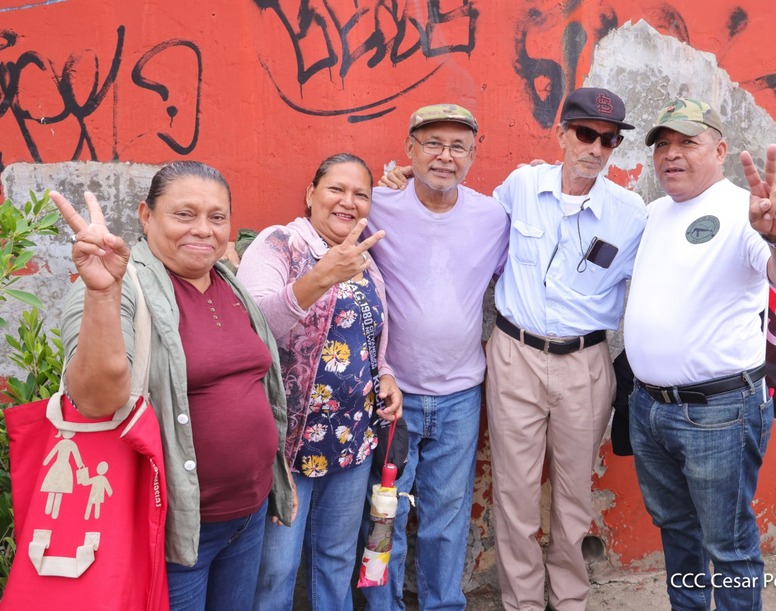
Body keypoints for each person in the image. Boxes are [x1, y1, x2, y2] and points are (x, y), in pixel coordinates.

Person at [52, 160, 296, 610]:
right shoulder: (118, 285)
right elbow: (94, 401)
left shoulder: (229, 283)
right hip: (172, 529)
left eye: (217, 217)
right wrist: (102, 293)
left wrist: (273, 477)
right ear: (146, 216)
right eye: (184, 214)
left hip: (248, 516)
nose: (203, 229)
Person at [624, 97, 776, 610]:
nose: (671, 153)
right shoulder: (654, 212)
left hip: (718, 414)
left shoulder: (745, 211)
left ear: (720, 150)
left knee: (728, 547)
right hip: (649, 408)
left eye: (687, 142)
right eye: (663, 144)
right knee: (676, 531)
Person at [486, 87, 647, 611]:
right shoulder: (520, 186)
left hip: (585, 364)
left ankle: (570, 599)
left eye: (609, 140)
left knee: (574, 496)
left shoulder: (630, 214)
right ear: (562, 134)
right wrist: (404, 187)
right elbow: (471, 228)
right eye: (585, 134)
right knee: (514, 494)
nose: (596, 148)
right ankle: (523, 603)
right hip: (515, 355)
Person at [236, 153, 403, 611]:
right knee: (276, 568)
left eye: (361, 194)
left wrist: (387, 375)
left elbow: (370, 337)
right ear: (311, 194)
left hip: (350, 440)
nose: (348, 202)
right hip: (286, 445)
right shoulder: (281, 244)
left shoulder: (364, 258)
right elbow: (253, 325)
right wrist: (322, 274)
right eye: (336, 189)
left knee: (335, 560)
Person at [360, 104, 509, 611]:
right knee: (385, 513)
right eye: (433, 144)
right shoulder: (378, 205)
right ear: (410, 149)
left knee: (447, 518)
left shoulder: (492, 217)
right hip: (392, 395)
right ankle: (383, 606)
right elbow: (326, 216)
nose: (446, 156)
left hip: (460, 395)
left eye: (458, 147)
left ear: (472, 156)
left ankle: (443, 604)